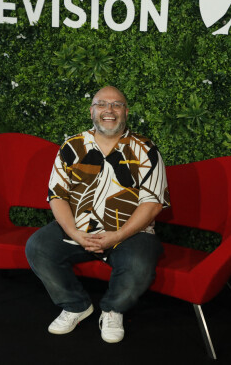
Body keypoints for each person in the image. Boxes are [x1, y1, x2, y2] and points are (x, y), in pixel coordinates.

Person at [25, 86, 170, 344]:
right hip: (79, 228)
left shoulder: (146, 150)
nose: (109, 111)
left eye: (116, 105)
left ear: (126, 111)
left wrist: (118, 235)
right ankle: (76, 305)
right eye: (102, 104)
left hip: (131, 232)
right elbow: (57, 196)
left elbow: (153, 204)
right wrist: (73, 233)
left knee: (138, 264)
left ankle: (113, 310)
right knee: (38, 247)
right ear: (92, 110)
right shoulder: (72, 146)